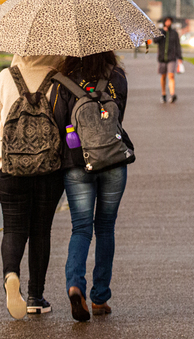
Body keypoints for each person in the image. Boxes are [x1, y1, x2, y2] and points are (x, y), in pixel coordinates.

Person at [50, 51, 133, 322]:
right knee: (105, 227)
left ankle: (75, 285)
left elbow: (60, 123)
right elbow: (118, 117)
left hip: (77, 164)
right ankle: (100, 297)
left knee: (81, 228)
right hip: (112, 160)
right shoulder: (117, 76)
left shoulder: (62, 80)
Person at [0, 54, 67, 319]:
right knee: (41, 230)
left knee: (13, 228)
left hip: (10, 167)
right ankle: (36, 297)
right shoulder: (60, 77)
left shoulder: (5, 77)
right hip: (49, 168)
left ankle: (11, 273)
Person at [156, 16, 183, 103]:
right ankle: (163, 94)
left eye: (170, 21)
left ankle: (172, 94)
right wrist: (163, 32)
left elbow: (177, 45)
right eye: (167, 21)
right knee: (163, 76)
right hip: (162, 58)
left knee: (171, 75)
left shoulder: (174, 33)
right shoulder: (160, 32)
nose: (168, 23)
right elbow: (155, 40)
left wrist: (179, 57)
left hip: (172, 57)